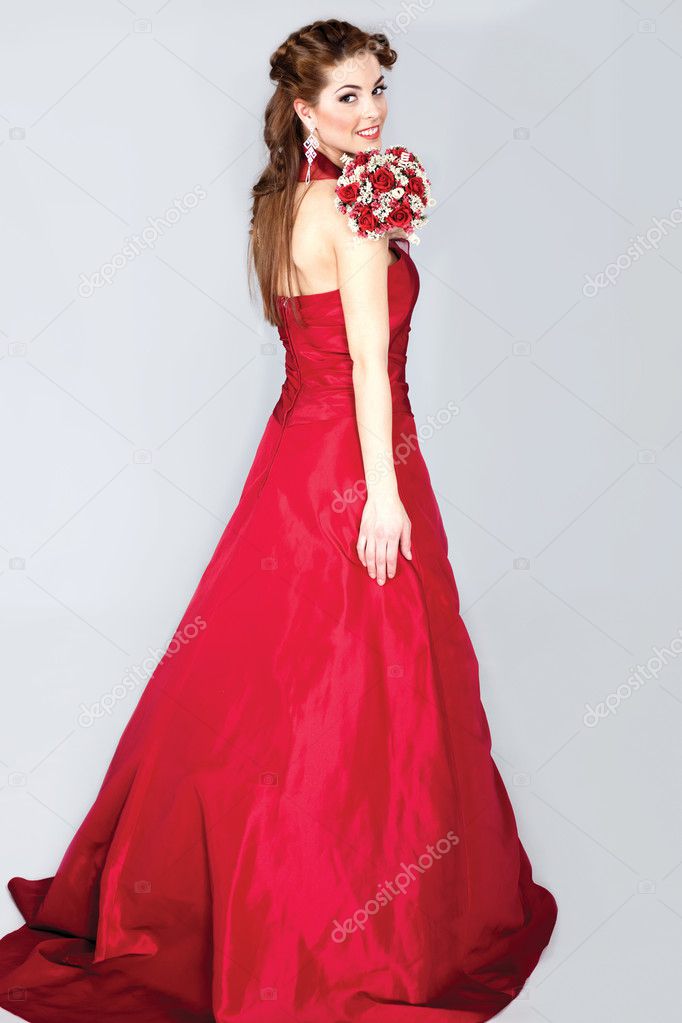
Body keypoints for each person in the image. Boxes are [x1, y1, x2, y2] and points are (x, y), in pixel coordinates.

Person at [0, 18, 558, 1023]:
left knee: (276, 674)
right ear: (302, 108)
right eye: (345, 95)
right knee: (356, 683)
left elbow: (312, 353)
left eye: (378, 88)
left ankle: (237, 884)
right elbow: (367, 371)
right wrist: (382, 492)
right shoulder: (342, 209)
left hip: (295, 455)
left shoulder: (283, 203)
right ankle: (335, 917)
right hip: (353, 457)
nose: (370, 110)